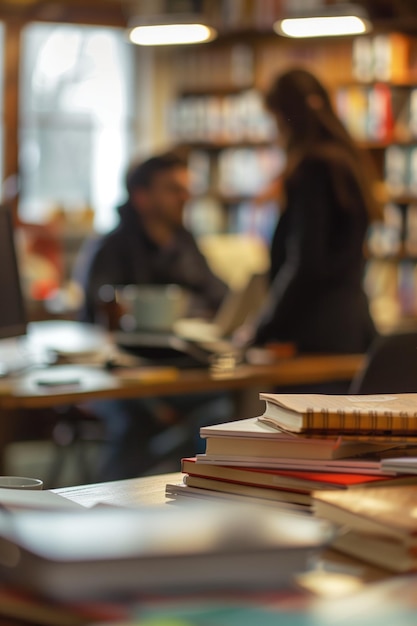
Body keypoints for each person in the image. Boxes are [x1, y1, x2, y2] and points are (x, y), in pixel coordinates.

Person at [74, 152, 233, 481]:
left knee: (227, 410)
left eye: (186, 188)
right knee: (136, 416)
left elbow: (221, 297)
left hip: (177, 370)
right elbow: (99, 316)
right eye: (174, 189)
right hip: (120, 376)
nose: (185, 197)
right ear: (142, 197)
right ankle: (114, 506)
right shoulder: (111, 247)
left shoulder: (184, 243)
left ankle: (190, 492)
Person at [238, 68, 378, 355]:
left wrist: (263, 329)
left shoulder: (313, 168)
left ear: (284, 116)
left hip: (314, 333)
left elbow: (305, 263)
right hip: (349, 323)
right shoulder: (347, 163)